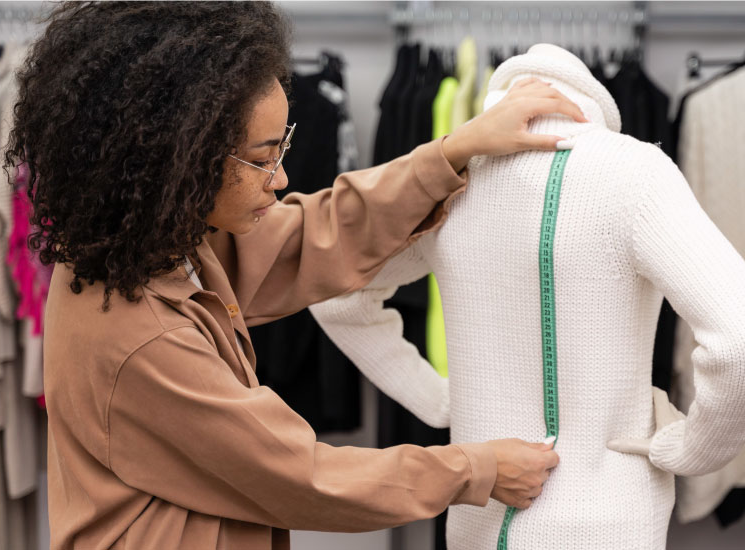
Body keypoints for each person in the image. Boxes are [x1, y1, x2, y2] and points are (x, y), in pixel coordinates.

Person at [3, 4, 589, 549]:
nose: (279, 179)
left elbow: (311, 235)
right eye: (259, 160)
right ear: (175, 156)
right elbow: (301, 475)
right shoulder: (140, 332)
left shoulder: (157, 245)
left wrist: (453, 152)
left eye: (280, 150)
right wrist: (478, 468)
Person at [310, 44, 745, 549]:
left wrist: (439, 401)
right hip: (612, 525)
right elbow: (738, 336)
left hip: (480, 518)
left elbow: (336, 293)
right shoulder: (635, 173)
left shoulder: (452, 179)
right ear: (595, 103)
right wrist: (692, 451)